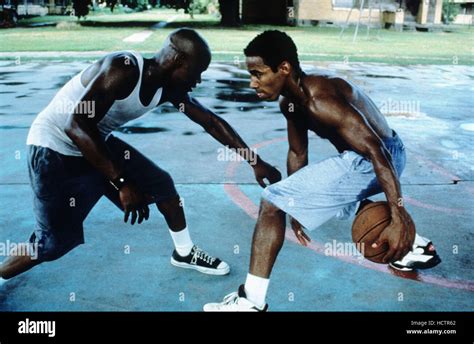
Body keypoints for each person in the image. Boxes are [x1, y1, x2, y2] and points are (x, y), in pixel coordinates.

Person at [0, 28, 281, 282]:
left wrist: (254, 161)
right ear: (177, 61)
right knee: (52, 244)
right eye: (196, 72)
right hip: (54, 149)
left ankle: (184, 252)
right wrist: (122, 183)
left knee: (162, 185)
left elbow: (209, 121)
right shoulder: (122, 70)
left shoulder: (170, 88)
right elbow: (75, 125)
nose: (198, 80)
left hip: (95, 143)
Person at [204, 30, 441, 312]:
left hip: (379, 156)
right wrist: (293, 206)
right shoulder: (290, 102)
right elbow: (297, 153)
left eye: (258, 73)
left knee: (270, 202)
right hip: (368, 155)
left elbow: (378, 152)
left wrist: (398, 216)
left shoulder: (321, 100)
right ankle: (415, 247)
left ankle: (250, 302)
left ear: (284, 68)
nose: (252, 82)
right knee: (311, 193)